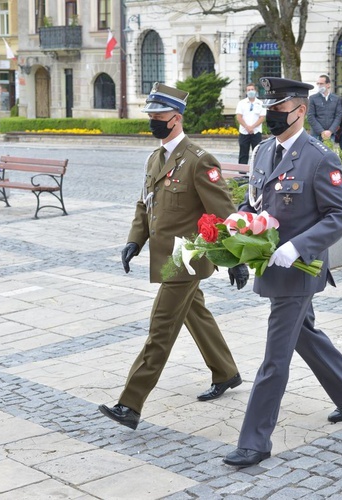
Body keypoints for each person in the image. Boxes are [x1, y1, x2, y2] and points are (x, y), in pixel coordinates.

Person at [223, 76, 342, 467]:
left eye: (277, 109)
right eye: (269, 110)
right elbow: (256, 200)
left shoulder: (319, 156)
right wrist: (239, 226)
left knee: (275, 356)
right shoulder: (266, 149)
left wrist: (298, 245)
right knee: (302, 333)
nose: (271, 115)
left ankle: (255, 440)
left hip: (298, 269)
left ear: (300, 111)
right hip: (271, 263)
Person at [99, 82, 250, 430]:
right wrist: (135, 241)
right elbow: (145, 204)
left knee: (160, 328)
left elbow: (225, 213)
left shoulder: (199, 161)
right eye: (150, 114)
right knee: (194, 312)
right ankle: (226, 372)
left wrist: (237, 258)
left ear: (176, 118)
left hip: (187, 258)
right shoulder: (156, 157)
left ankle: (130, 404)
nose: (152, 120)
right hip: (165, 255)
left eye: (158, 115)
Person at [236, 82, 267, 164]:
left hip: (256, 132)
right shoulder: (241, 103)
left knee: (257, 154)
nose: (250, 91)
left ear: (255, 91)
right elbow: (239, 117)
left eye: (252, 89)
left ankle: (256, 173)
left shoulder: (260, 103)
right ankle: (242, 174)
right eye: (248, 90)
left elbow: (262, 117)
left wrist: (252, 127)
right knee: (243, 154)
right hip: (244, 132)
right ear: (246, 92)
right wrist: (247, 127)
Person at [306, 74, 342, 142]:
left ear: (328, 85)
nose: (319, 86)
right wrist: (322, 132)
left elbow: (338, 116)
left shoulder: (336, 99)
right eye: (318, 83)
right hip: (316, 135)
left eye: (321, 83)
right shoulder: (313, 98)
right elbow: (310, 117)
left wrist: (330, 131)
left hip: (330, 135)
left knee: (329, 152)